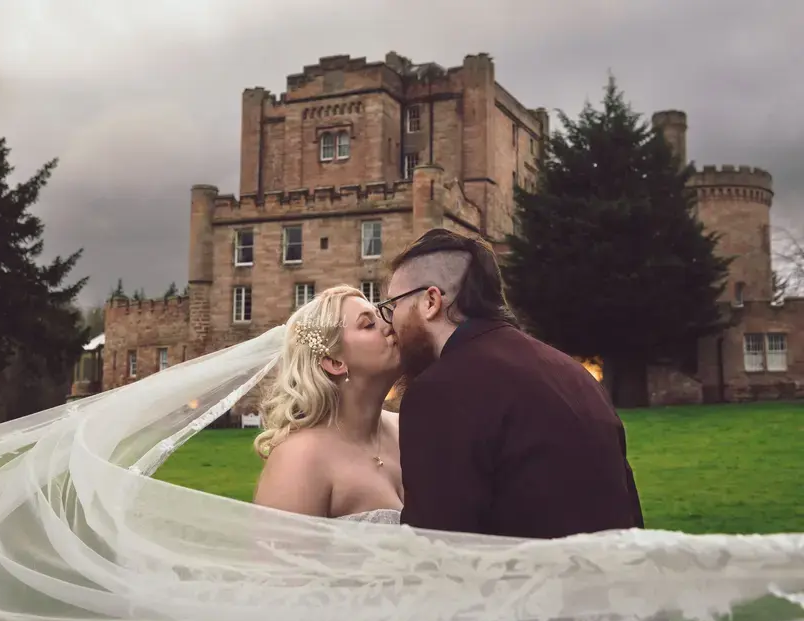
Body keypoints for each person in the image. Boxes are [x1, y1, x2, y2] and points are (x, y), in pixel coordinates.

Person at [379, 228, 645, 538]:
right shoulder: (571, 372)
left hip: (524, 583)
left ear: (431, 301)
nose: (391, 322)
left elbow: (439, 542)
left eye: (392, 306)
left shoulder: (439, 390)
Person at [251, 284, 405, 523]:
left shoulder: (410, 428)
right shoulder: (300, 458)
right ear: (334, 362)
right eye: (369, 325)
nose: (390, 326)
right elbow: (277, 558)